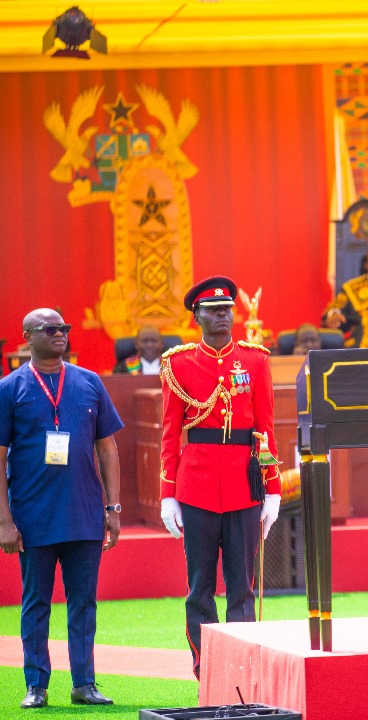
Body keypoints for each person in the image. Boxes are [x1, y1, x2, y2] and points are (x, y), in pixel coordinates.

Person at [158, 276, 282, 678]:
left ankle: (242, 668)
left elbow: (267, 428)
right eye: (213, 311)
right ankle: (206, 667)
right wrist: (167, 495)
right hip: (196, 488)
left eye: (227, 309)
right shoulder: (177, 364)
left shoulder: (256, 360)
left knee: (242, 587)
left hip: (245, 485)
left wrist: (274, 489)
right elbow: (169, 434)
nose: (222, 316)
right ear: (197, 316)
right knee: (200, 588)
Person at [0, 309, 123, 708]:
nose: (60, 334)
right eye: (50, 329)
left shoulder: (89, 383)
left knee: (83, 604)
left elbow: (108, 447)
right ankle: (36, 685)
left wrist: (113, 508)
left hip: (84, 512)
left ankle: (84, 683)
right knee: (36, 603)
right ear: (27, 337)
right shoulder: (10, 388)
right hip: (32, 516)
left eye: (63, 328)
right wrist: (4, 520)